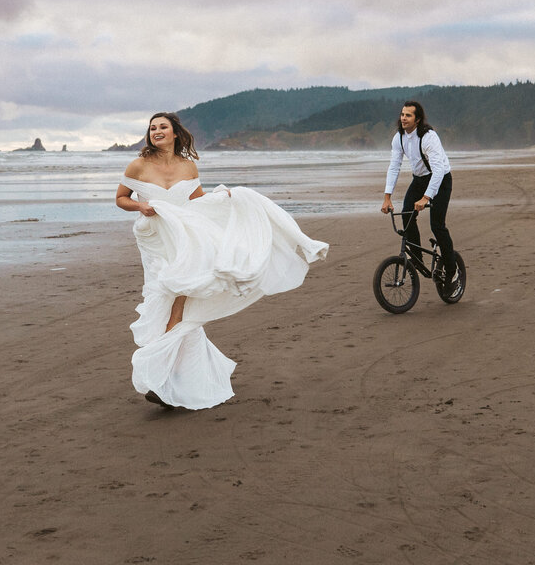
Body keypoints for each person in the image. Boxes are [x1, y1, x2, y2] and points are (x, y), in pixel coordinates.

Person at [116, 111, 329, 410]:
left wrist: (225, 198)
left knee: (180, 296)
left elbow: (198, 203)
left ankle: (163, 376)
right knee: (161, 296)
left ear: (175, 133)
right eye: (152, 128)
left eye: (163, 127)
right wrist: (141, 205)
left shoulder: (188, 166)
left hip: (185, 240)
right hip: (153, 240)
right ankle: (173, 374)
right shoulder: (138, 165)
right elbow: (121, 198)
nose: (156, 131)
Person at [380, 99, 458, 296]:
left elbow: (439, 170)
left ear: (418, 119)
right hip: (420, 179)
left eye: (408, 115)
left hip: (441, 179)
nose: (403, 118)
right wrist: (387, 197)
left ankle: (452, 271)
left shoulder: (429, 137)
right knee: (406, 216)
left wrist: (426, 198)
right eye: (402, 114)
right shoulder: (398, 138)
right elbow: (394, 166)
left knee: (437, 225)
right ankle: (417, 258)